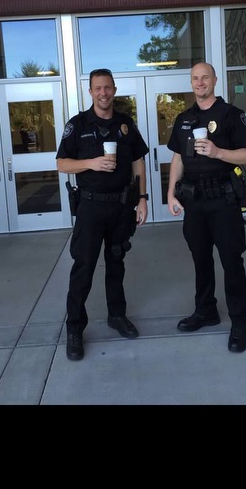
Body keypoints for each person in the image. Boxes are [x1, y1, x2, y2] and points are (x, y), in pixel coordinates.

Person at [56, 68, 149, 361]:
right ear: (90, 91)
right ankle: (74, 329)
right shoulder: (78, 124)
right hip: (91, 208)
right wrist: (91, 163)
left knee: (116, 263)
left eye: (107, 87)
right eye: (98, 88)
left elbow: (137, 162)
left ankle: (117, 316)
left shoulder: (125, 124)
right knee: (83, 268)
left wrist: (143, 199)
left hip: (121, 207)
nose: (103, 93)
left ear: (114, 89)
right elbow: (61, 164)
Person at [167, 62, 246, 352]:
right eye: (195, 78)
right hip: (195, 203)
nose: (200, 82)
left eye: (205, 77)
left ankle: (239, 322)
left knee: (231, 261)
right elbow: (178, 159)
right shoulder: (183, 118)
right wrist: (171, 194)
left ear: (215, 80)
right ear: (191, 82)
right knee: (200, 260)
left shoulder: (231, 115)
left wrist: (218, 152)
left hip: (223, 200)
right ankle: (206, 311)